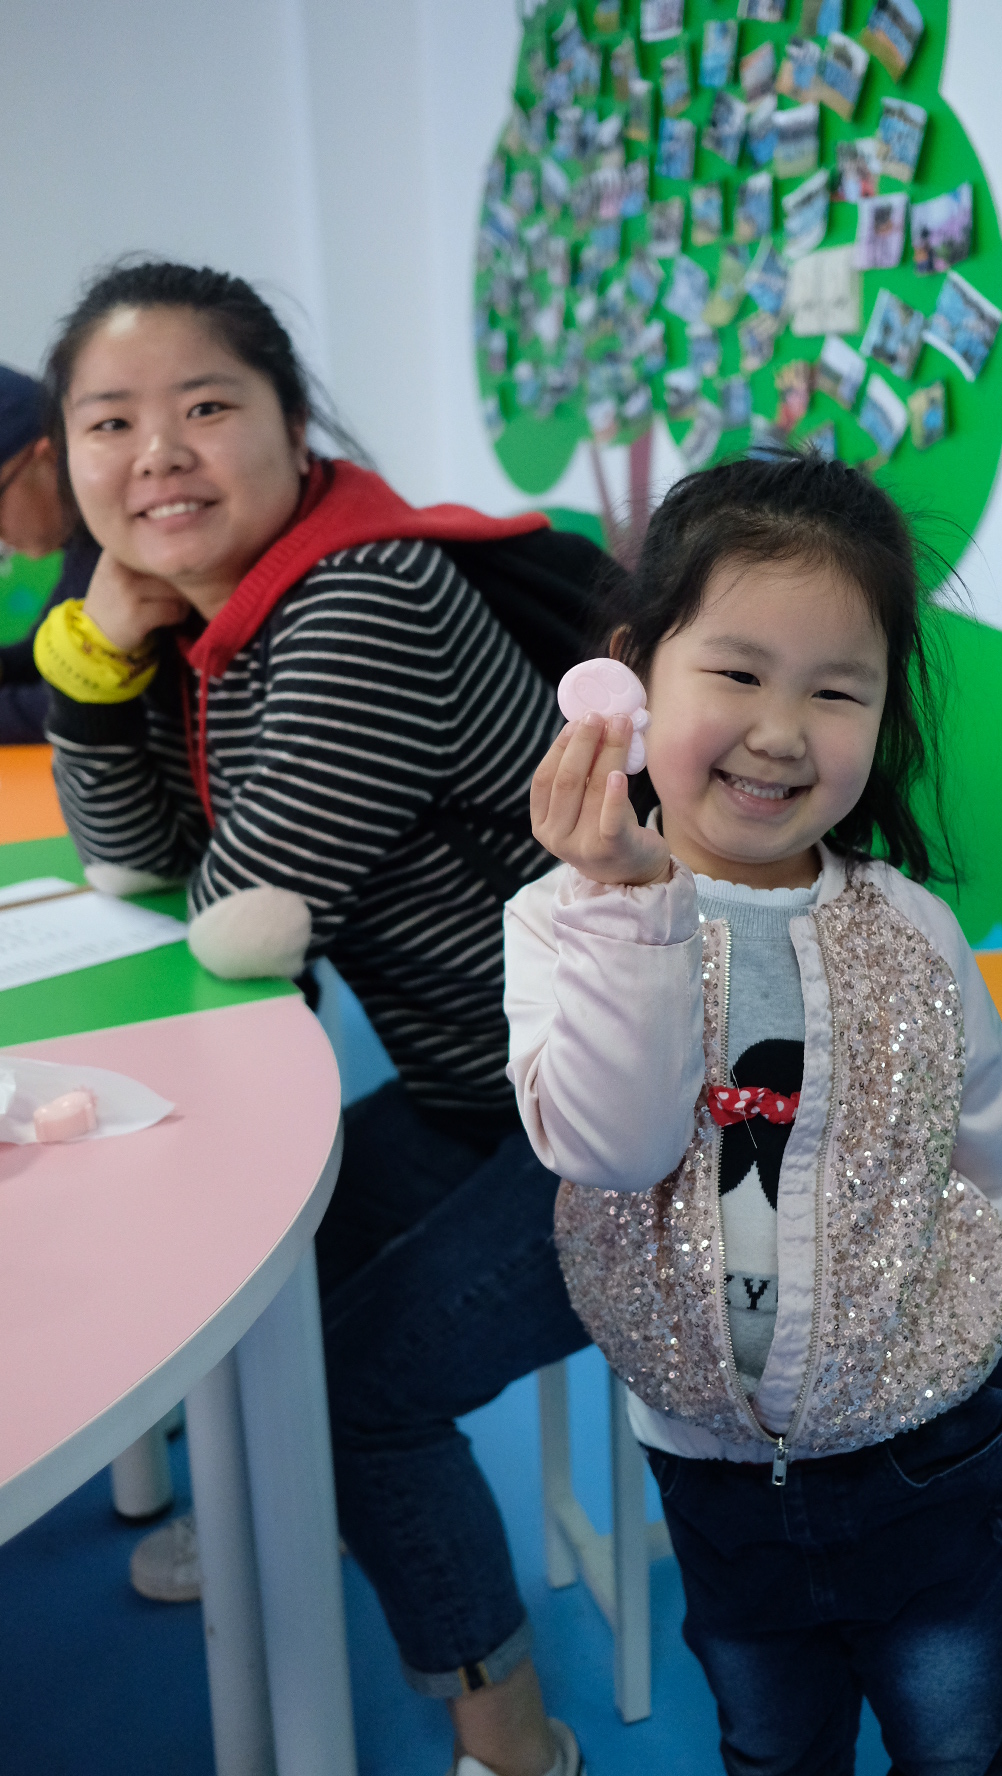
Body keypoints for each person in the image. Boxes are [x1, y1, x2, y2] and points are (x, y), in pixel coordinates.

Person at [35, 258, 597, 1776]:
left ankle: (515, 1743)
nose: (158, 452)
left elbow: (235, 916)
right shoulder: (224, 620)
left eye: (206, 407)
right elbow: (137, 862)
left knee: (354, 1387)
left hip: (640, 1120)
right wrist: (95, 658)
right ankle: (280, 1524)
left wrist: (109, 663)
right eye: (111, 421)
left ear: (294, 428)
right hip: (488, 1093)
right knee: (233, 1260)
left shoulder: (362, 600)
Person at [506, 453, 1002, 1776]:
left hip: (938, 1455)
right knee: (774, 1754)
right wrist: (626, 905)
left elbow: (984, 1163)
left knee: (970, 1749)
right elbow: (616, 1149)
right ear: (633, 678)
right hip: (717, 1482)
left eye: (836, 691)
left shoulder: (914, 930)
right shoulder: (562, 922)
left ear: (883, 712)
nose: (780, 731)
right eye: (736, 672)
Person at [0, 364, 98, 742]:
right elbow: (51, 655)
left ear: (50, 456)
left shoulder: (134, 548)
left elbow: (94, 698)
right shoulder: (84, 548)